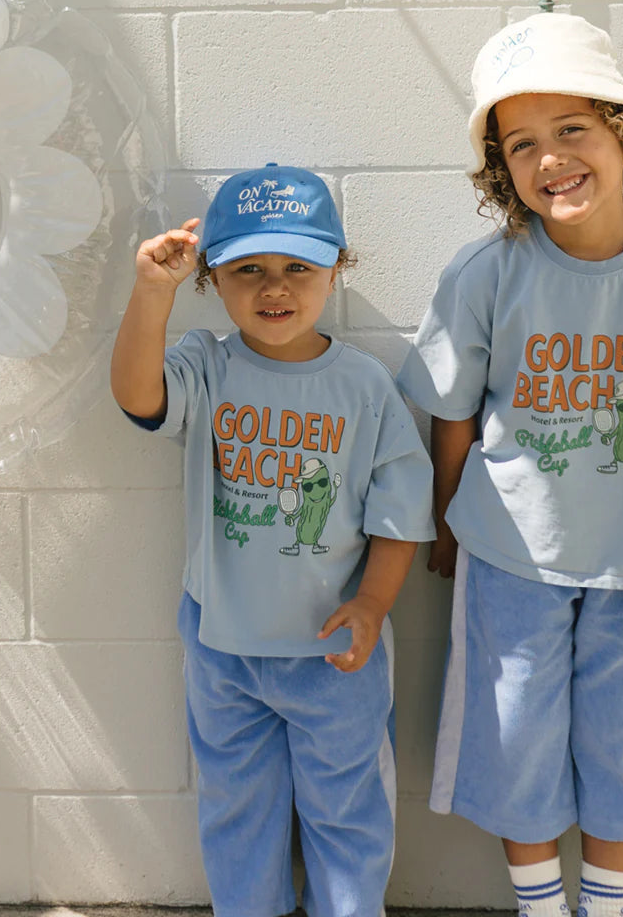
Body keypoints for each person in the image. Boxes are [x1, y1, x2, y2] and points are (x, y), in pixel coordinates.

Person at [397, 13, 623, 917]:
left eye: (572, 131)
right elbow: (452, 414)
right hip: (511, 557)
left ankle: (606, 906)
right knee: (516, 738)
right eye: (521, 144)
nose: (549, 158)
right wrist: (444, 523)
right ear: (501, 171)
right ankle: (541, 906)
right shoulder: (488, 273)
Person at [111, 165, 435, 917]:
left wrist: (374, 605)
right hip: (223, 646)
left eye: (298, 267)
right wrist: (152, 292)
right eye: (247, 269)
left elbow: (399, 511)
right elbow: (138, 396)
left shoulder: (363, 385)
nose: (273, 288)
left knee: (347, 818)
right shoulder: (206, 363)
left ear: (335, 270)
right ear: (213, 280)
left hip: (333, 653)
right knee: (237, 814)